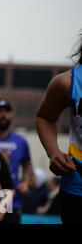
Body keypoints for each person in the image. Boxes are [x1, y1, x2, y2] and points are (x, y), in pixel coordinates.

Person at [36, 46, 82, 223]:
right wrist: (53, 153)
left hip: (8, 202)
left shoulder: (18, 144)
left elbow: (13, 180)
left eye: (6, 110)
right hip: (1, 204)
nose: (3, 114)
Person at [0, 99, 34, 224]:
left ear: (11, 115)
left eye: (6, 111)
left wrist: (26, 182)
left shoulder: (21, 141)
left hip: (10, 197)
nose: (3, 115)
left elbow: (27, 166)